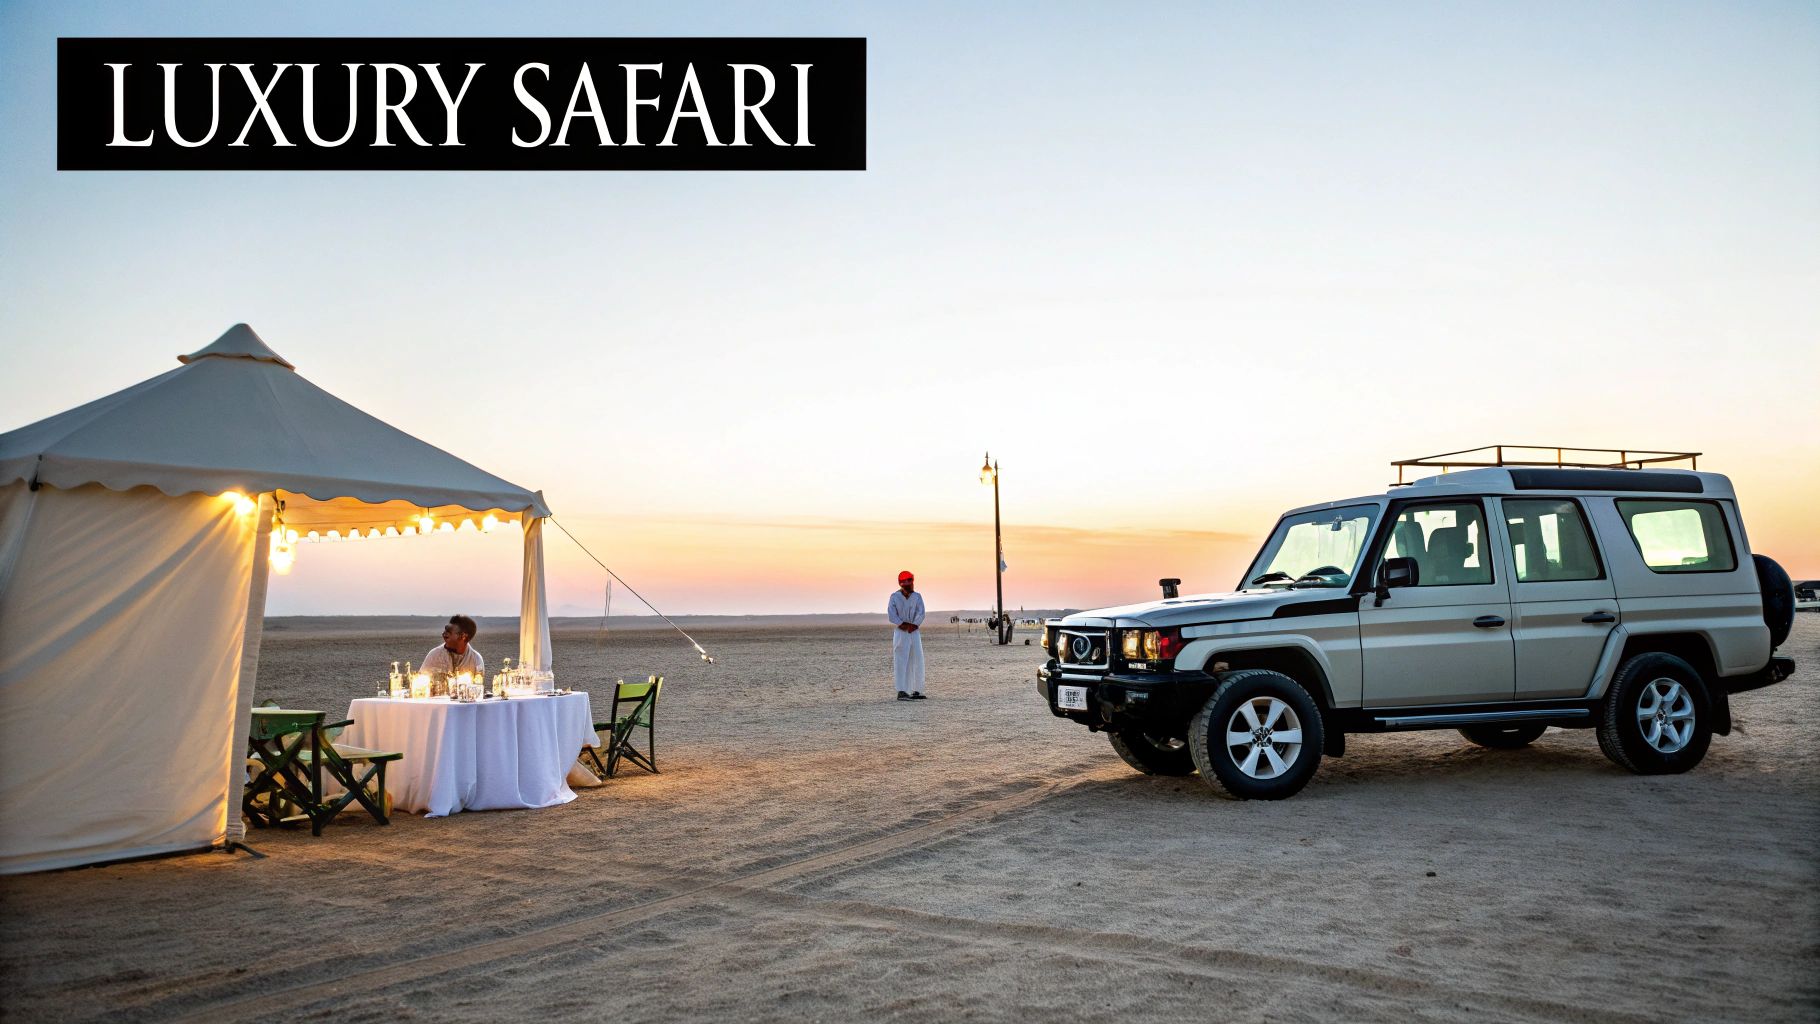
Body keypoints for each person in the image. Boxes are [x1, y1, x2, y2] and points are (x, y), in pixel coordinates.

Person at [888, 571, 926, 701]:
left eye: (911, 581)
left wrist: (914, 625)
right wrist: (904, 625)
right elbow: (892, 615)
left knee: (917, 659)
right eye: (906, 581)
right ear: (901, 583)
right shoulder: (894, 597)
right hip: (901, 632)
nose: (909, 584)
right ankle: (901, 691)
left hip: (914, 631)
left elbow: (921, 612)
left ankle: (917, 690)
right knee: (901, 659)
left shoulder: (917, 596)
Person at [422, 614, 485, 683]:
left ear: (463, 636)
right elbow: (421, 684)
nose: (444, 635)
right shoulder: (435, 655)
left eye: (448, 633)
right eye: (444, 632)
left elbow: (478, 688)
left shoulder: (476, 660)